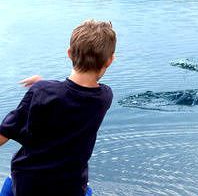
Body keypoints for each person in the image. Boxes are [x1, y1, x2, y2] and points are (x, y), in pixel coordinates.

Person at [0, 20, 116, 196]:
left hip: (28, 185)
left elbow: (4, 135)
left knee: (11, 182)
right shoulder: (105, 97)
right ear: (109, 61)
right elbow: (73, 94)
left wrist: (40, 87)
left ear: (69, 53)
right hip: (71, 186)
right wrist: (44, 85)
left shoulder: (41, 92)